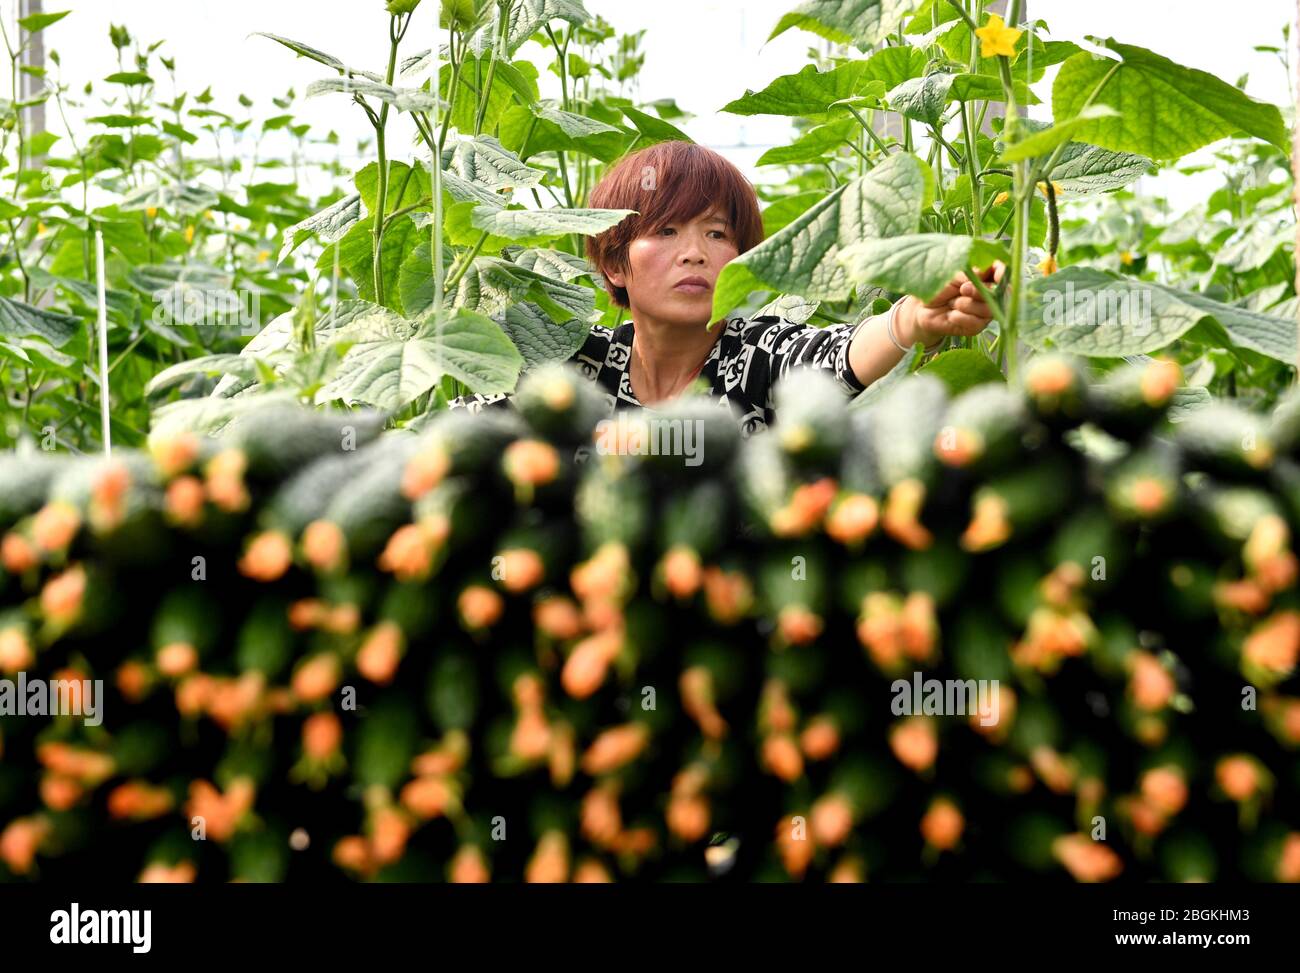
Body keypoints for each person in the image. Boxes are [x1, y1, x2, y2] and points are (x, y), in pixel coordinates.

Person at [448, 140, 1002, 437]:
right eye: (665, 231)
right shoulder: (574, 365)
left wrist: (913, 319)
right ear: (615, 263)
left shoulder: (756, 354)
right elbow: (466, 431)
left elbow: (834, 358)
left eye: (718, 232)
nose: (696, 252)